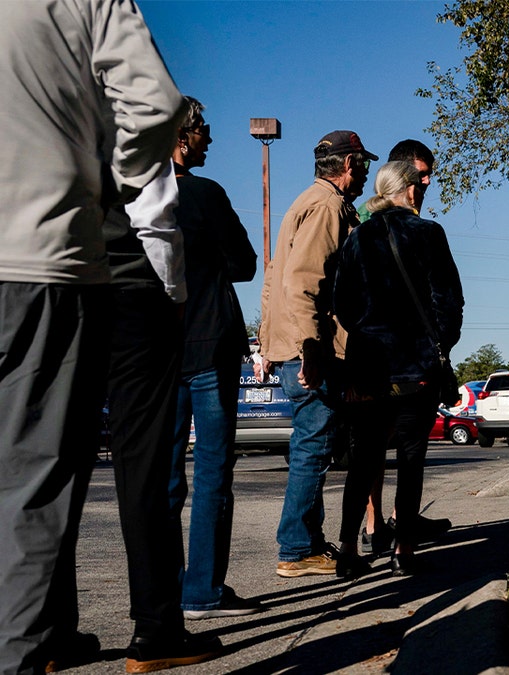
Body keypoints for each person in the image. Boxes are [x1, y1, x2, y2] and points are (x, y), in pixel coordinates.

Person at [0, 2, 188, 671]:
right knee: (39, 485)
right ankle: (41, 646)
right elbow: (154, 103)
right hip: (48, 259)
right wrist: (105, 181)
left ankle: (50, 634)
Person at [334, 160, 464, 577]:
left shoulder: (359, 237)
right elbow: (449, 299)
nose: (423, 191)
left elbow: (343, 303)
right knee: (411, 458)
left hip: (369, 364)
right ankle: (404, 548)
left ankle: (349, 546)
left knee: (364, 458)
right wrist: (439, 344)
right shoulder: (429, 233)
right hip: (416, 366)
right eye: (419, 186)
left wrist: (366, 337)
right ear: (408, 191)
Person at [259, 131, 376, 577]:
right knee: (313, 446)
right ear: (348, 164)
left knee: (312, 444)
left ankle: (305, 543)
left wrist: (270, 342)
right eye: (362, 163)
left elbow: (275, 277)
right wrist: (309, 349)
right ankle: (296, 550)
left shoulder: (308, 202)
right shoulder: (327, 207)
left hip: (294, 345)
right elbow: (302, 281)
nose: (364, 171)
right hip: (312, 349)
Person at [166, 97, 264, 618]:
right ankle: (202, 590)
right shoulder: (206, 194)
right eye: (204, 130)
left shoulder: (131, 197)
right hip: (209, 344)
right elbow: (246, 264)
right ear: (182, 135)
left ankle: (162, 591)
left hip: (156, 354)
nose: (210, 139)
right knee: (211, 473)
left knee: (163, 477)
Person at [358, 139, 442, 557]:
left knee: (388, 443)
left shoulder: (417, 227)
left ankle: (394, 522)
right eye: (422, 175)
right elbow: (448, 298)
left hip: (380, 356)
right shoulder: (364, 223)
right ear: (403, 178)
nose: (427, 183)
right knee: (396, 448)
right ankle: (380, 525)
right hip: (398, 359)